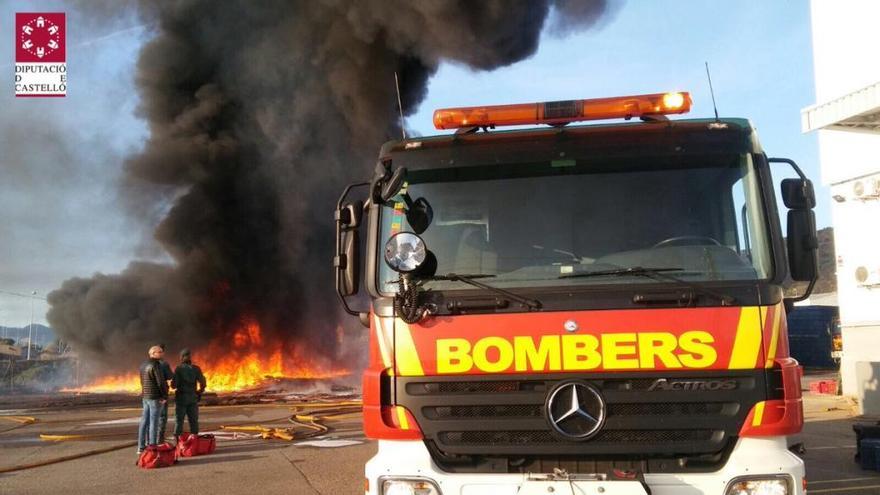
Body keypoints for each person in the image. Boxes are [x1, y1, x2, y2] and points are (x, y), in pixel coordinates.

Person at [137, 345, 169, 455]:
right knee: (154, 422)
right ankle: (152, 446)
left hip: (145, 397)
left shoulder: (142, 365)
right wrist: (164, 396)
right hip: (154, 398)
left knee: (144, 421)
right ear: (153, 353)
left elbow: (142, 382)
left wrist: (144, 393)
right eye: (159, 352)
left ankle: (141, 447)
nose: (162, 353)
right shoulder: (156, 365)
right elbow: (160, 382)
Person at [171, 348, 206, 440]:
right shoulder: (196, 369)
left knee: (179, 421)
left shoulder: (178, 369)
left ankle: (177, 441)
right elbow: (203, 382)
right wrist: (199, 392)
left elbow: (174, 385)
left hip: (181, 399)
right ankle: (194, 440)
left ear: (181, 358)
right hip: (193, 398)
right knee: (194, 421)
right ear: (190, 357)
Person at [156, 343, 173, 442]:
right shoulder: (164, 364)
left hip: (150, 395)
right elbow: (170, 376)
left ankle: (150, 438)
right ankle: (160, 437)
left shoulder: (146, 364)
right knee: (162, 416)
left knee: (150, 415)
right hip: (162, 394)